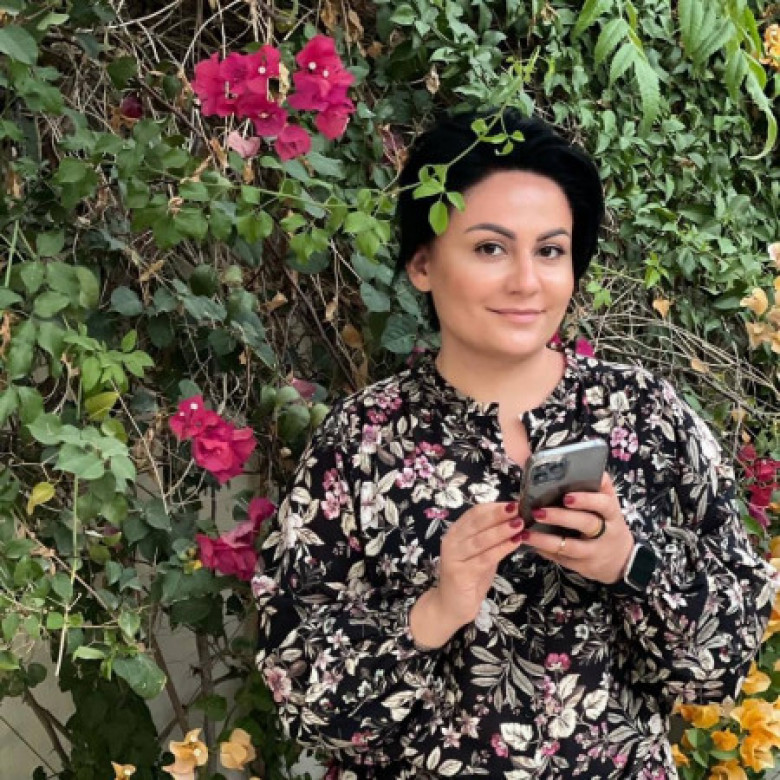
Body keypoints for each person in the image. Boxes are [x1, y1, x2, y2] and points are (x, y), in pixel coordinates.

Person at [253, 109, 778, 778]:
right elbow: (303, 699)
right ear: (422, 263)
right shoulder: (360, 442)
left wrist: (630, 565)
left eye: (550, 251)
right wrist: (435, 610)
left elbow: (723, 663)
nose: (527, 281)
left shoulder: (647, 415)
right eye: (490, 249)